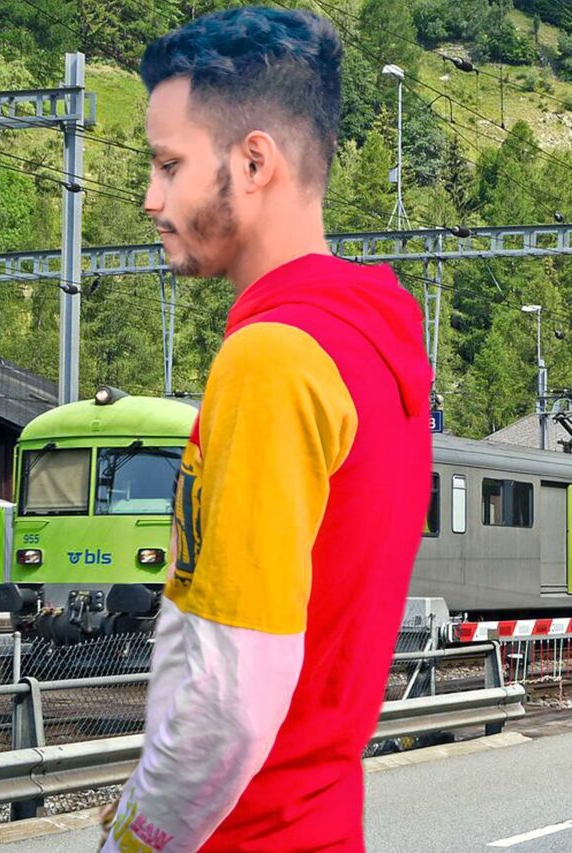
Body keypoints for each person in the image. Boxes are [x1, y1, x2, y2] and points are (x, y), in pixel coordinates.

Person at [101, 7, 432, 852]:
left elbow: (230, 694)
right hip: (323, 823)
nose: (151, 198)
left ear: (254, 162)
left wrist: (133, 840)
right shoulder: (371, 346)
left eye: (169, 165)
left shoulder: (272, 359)